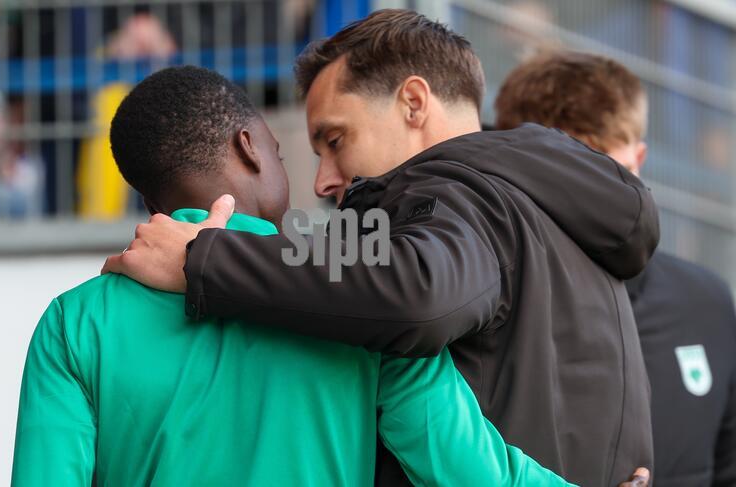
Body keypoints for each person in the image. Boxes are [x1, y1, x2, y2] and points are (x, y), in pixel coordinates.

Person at [102, 10, 658, 486]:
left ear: (414, 103)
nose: (322, 181)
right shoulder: (542, 199)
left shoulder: (457, 195)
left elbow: (418, 293)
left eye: (336, 140)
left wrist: (206, 259)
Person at [12, 66, 591, 487]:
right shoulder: (359, 287)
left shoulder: (75, 322)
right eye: (286, 157)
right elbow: (467, 468)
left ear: (145, 198)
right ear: (250, 148)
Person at [494, 50, 736, 487]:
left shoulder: (707, 303)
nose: (595, 204)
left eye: (611, 176)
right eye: (566, 183)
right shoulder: (481, 303)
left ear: (639, 160)